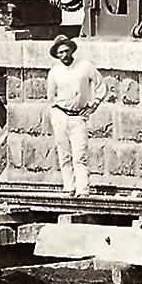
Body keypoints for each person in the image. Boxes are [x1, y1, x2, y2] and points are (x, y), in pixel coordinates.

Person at [43, 34, 102, 196]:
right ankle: (69, 187)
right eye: (60, 53)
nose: (64, 55)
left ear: (71, 50)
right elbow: (50, 94)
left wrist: (93, 105)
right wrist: (56, 110)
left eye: (66, 51)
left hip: (78, 116)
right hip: (60, 114)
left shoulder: (85, 66)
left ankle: (83, 189)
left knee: (80, 154)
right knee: (64, 154)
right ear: (57, 54)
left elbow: (100, 85)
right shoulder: (55, 72)